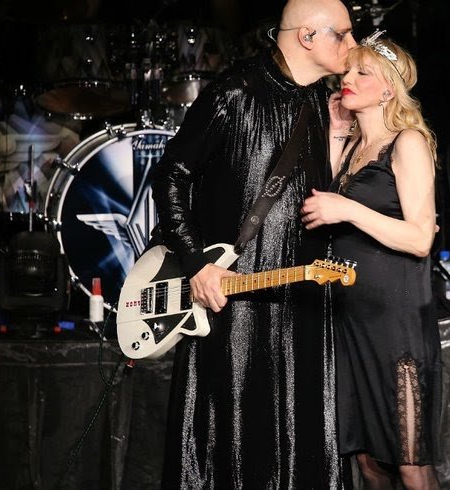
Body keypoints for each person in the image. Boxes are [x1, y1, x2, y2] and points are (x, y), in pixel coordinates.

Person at [149, 0, 357, 488]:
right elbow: (171, 175)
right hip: (233, 308)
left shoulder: (319, 100)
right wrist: (197, 263)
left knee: (301, 442)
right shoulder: (235, 92)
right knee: (234, 445)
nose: (352, 44)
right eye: (343, 34)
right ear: (307, 36)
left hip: (301, 302)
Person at [301, 32, 442, 489]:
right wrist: (335, 132)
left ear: (388, 90)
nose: (348, 78)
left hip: (396, 322)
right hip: (350, 319)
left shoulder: (407, 142)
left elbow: (420, 238)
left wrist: (348, 210)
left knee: (410, 463)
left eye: (363, 72)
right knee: (367, 462)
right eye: (348, 70)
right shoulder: (352, 149)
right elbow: (322, 202)